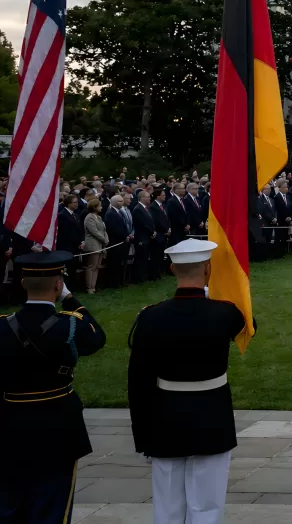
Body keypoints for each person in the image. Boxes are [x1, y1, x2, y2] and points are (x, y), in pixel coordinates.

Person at [128, 239, 246, 524]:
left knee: (167, 505)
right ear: (208, 269)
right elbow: (246, 322)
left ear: (171, 269)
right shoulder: (226, 313)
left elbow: (138, 382)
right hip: (212, 417)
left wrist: (142, 436)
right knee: (207, 503)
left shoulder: (150, 317)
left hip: (165, 418)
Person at [0, 251, 107, 523]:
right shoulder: (71, 324)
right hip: (58, 424)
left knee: (10, 502)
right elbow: (97, 338)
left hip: (10, 423)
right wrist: (70, 298)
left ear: (23, 283)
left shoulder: (3, 327)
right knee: (52, 504)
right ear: (59, 285)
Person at [81, 197, 109, 294]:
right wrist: (104, 239)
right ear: (94, 207)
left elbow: (103, 230)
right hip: (93, 244)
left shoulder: (100, 217)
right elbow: (94, 231)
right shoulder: (89, 217)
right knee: (91, 266)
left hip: (101, 244)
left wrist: (106, 239)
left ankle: (94, 286)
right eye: (99, 206)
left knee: (97, 266)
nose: (101, 207)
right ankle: (89, 287)